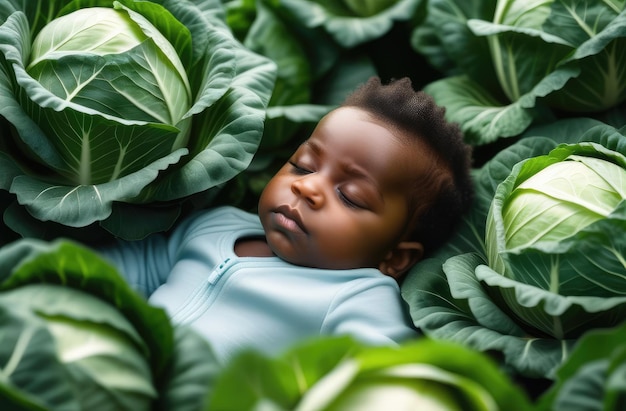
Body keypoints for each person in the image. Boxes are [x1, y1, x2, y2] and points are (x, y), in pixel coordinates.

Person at [100, 77, 474, 364]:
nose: (308, 187)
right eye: (303, 165)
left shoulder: (356, 297)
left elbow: (379, 374)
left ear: (394, 258)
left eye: (350, 196)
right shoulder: (216, 225)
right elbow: (130, 268)